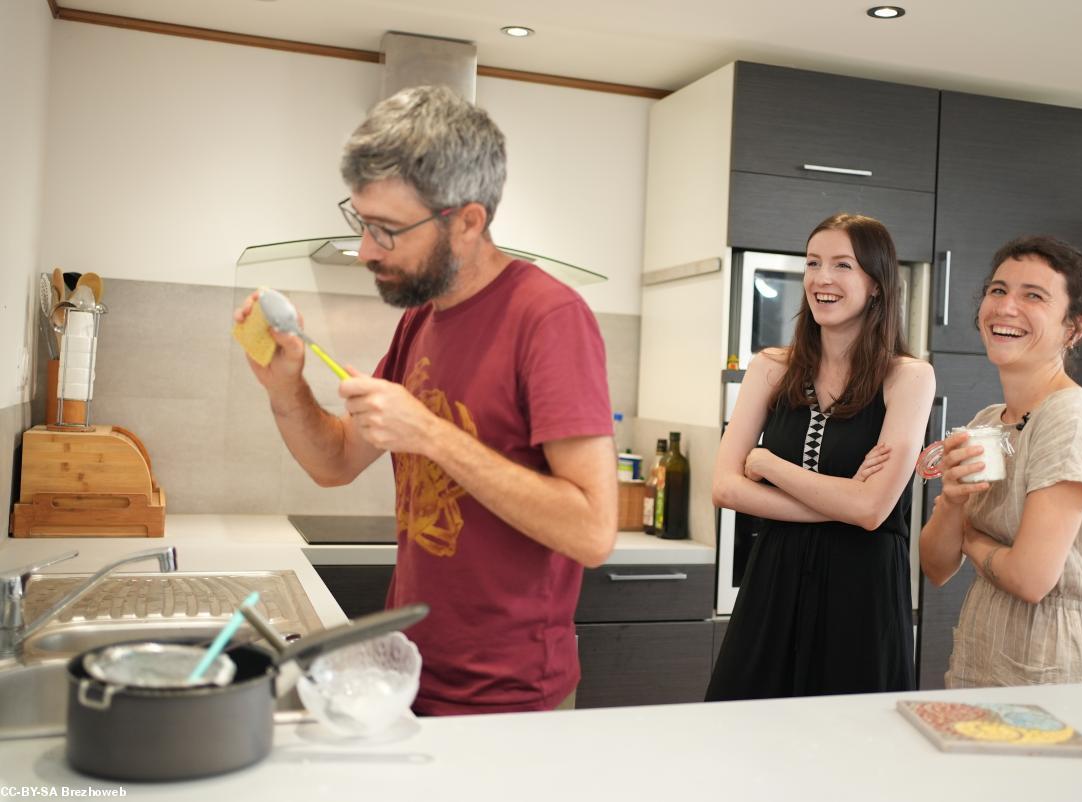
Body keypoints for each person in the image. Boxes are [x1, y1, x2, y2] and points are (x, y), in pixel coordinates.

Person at [234, 86, 618, 715]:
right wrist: (285, 387)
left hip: (509, 703)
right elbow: (335, 462)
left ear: (467, 221)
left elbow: (593, 532)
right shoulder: (423, 318)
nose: (366, 250)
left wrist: (432, 434)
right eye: (362, 223)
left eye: (386, 230)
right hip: (410, 675)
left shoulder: (549, 318)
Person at [706, 213, 935, 700]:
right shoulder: (771, 367)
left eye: (842, 265)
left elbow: (871, 510)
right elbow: (724, 488)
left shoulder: (909, 377)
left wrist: (769, 465)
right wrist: (843, 501)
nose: (821, 278)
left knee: (850, 739)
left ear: (876, 284)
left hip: (862, 594)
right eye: (812, 263)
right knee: (742, 732)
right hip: (773, 583)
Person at [919, 235, 1082, 687]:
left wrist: (972, 539)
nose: (1006, 307)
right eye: (998, 290)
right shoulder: (989, 422)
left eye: (1033, 296)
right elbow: (936, 568)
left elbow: (1031, 579)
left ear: (1074, 329)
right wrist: (953, 502)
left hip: (1052, 666)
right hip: (981, 657)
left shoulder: (1073, 417)